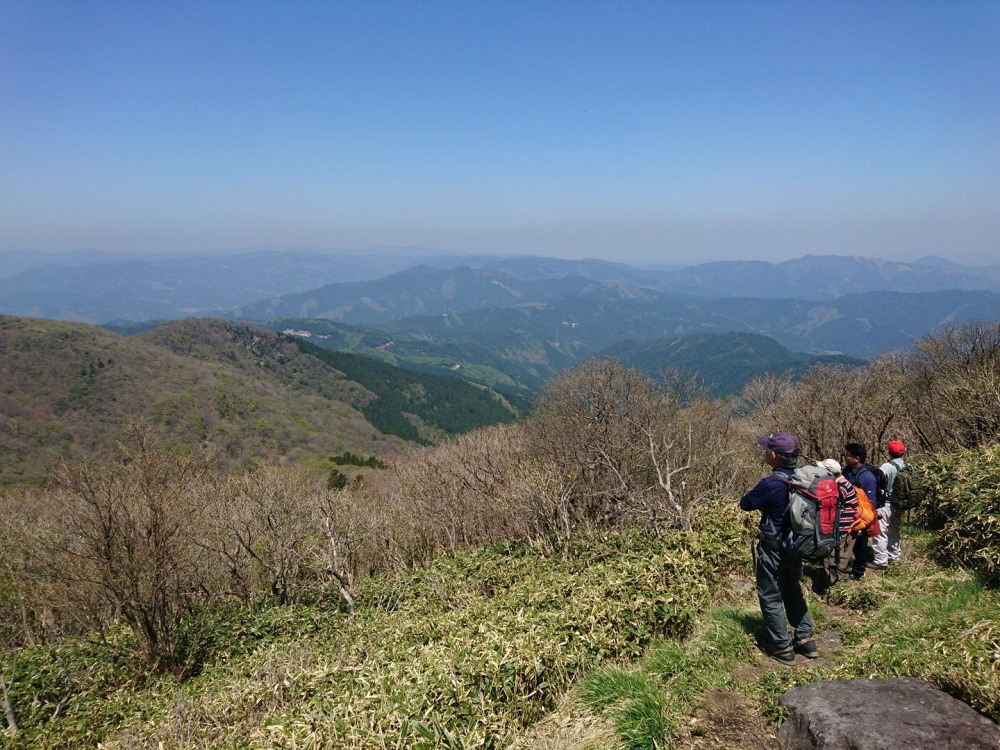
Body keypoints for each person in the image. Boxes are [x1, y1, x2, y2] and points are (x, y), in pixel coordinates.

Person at [740, 432, 818, 664]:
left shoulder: (771, 483)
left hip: (773, 547)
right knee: (792, 588)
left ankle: (782, 646)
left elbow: (745, 503)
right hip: (798, 545)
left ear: (773, 455)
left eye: (767, 450)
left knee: (770, 595)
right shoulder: (805, 480)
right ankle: (805, 639)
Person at [818, 458, 860, 586]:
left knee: (837, 556)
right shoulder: (846, 483)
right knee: (841, 556)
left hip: (843, 528)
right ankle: (836, 583)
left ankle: (836, 584)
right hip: (848, 526)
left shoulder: (839, 487)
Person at [843, 443, 879, 579]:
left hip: (860, 517)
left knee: (860, 544)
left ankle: (859, 571)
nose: (845, 457)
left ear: (856, 458)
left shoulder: (867, 477)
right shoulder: (846, 471)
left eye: (848, 455)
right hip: (847, 514)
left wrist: (862, 519)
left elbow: (870, 502)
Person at [882, 439, 908, 563]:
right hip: (901, 503)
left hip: (887, 503)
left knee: (881, 531)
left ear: (889, 452)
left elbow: (879, 481)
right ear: (903, 452)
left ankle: (881, 559)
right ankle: (895, 555)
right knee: (894, 529)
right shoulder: (908, 467)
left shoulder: (887, 467)